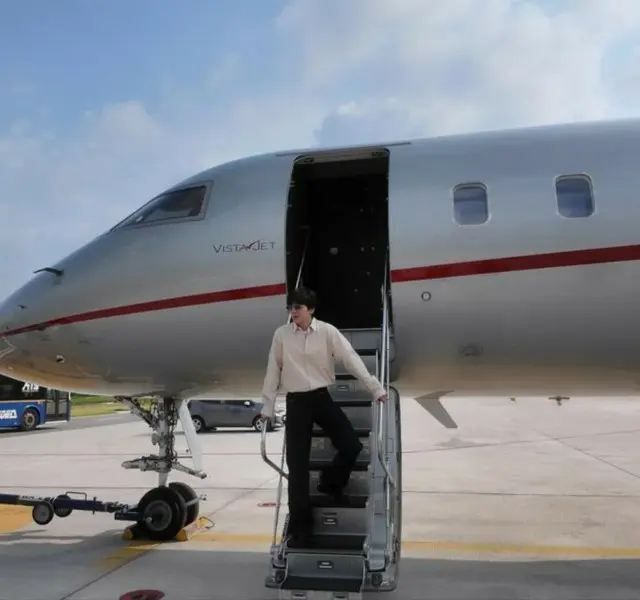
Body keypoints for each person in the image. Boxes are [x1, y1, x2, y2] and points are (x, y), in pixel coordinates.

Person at [260, 286, 388, 543]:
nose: (293, 312)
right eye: (290, 307)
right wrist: (268, 407)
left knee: (351, 445)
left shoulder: (327, 332)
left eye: (297, 307)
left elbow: (350, 359)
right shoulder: (282, 335)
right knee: (297, 468)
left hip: (321, 398)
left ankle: (330, 482)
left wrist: (374, 388)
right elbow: (273, 370)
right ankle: (301, 529)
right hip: (296, 402)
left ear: (311, 309)